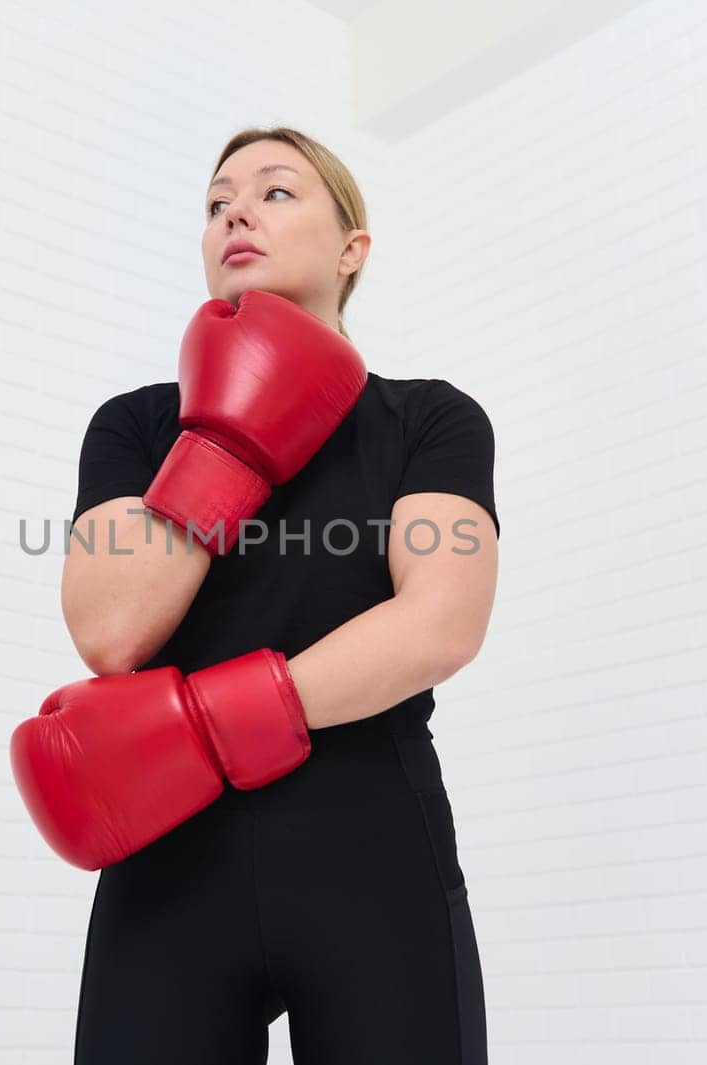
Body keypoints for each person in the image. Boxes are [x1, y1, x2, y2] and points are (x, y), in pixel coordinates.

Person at [26, 126, 499, 1064]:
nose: (236, 211)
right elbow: (112, 628)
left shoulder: (430, 417)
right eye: (216, 202)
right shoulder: (135, 425)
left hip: (369, 836)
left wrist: (209, 725)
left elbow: (439, 621)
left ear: (351, 248)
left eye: (277, 192)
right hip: (169, 856)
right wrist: (230, 439)